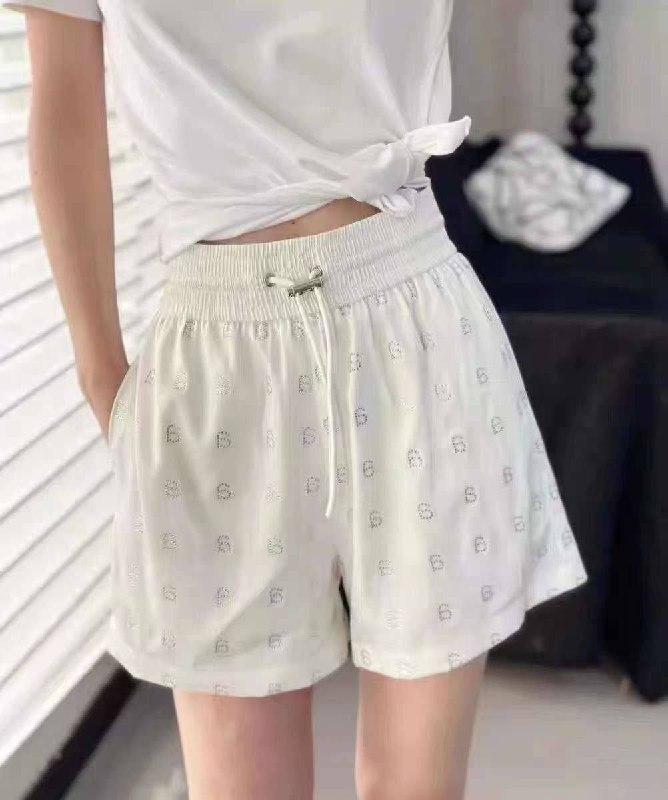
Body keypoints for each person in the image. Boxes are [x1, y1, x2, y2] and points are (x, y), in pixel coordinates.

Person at [4, 2, 588, 798]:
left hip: (413, 318)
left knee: (417, 789)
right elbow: (64, 108)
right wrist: (100, 373)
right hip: (215, 360)